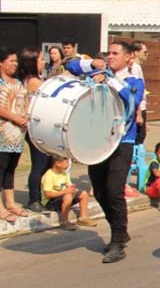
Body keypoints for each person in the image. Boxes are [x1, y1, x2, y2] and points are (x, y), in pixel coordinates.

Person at [65, 42, 145, 263]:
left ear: (128, 58)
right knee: (99, 191)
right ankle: (120, 229)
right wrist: (92, 63)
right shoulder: (98, 70)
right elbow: (70, 66)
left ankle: (118, 242)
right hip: (98, 142)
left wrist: (108, 79)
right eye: (108, 53)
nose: (110, 57)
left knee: (114, 190)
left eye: (115, 54)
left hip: (122, 141)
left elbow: (132, 100)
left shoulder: (133, 79)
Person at [17, 47, 51, 213]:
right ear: (31, 63)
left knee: (44, 162)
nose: (44, 62)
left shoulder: (30, 79)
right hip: (35, 128)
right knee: (40, 163)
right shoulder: (34, 82)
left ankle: (43, 196)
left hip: (37, 127)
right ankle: (34, 200)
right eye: (40, 60)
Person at [0, 47, 28, 223]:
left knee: (11, 168)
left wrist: (24, 115)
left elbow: (24, 102)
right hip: (3, 132)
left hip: (17, 134)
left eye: (16, 61)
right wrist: (15, 118)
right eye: (11, 61)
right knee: (0, 169)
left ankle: (10, 203)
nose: (15, 64)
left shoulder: (18, 83)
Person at [41, 155, 97, 230]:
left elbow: (69, 185)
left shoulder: (64, 173)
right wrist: (65, 191)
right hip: (51, 202)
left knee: (83, 193)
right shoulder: (49, 175)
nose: (68, 164)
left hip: (63, 196)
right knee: (68, 196)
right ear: (58, 163)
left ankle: (83, 218)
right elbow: (47, 195)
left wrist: (73, 190)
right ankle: (64, 222)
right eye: (67, 162)